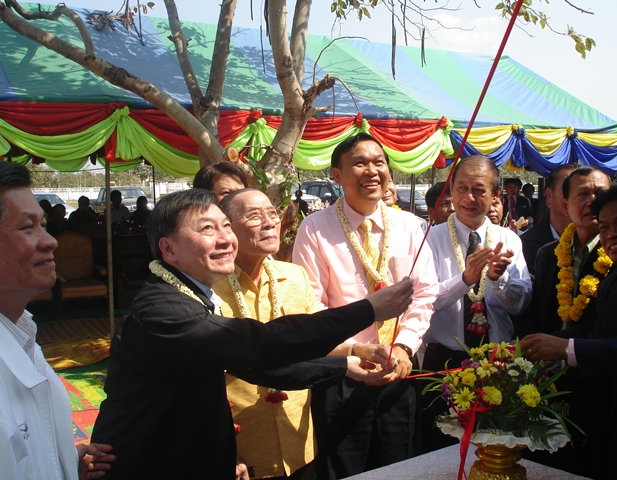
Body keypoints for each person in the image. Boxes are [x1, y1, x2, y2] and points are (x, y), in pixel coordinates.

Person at [90, 188, 415, 480]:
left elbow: (261, 367)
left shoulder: (191, 296)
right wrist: (366, 310)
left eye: (225, 227)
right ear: (168, 248)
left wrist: (345, 366)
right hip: (149, 463)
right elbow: (262, 344)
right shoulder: (165, 312)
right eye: (207, 229)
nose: (224, 239)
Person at [215, 189, 392, 479]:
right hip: (239, 449)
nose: (270, 222)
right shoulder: (209, 289)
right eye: (255, 216)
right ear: (227, 228)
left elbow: (312, 341)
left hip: (298, 443)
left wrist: (356, 351)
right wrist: (224, 447)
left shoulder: (294, 276)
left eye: (272, 213)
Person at [292, 133, 438, 478]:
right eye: (359, 163)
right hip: (343, 372)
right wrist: (355, 350)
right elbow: (310, 303)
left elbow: (424, 294)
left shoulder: (409, 226)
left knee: (400, 467)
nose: (372, 171)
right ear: (337, 175)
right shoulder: (314, 229)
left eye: (379, 162)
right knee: (343, 469)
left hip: (398, 370)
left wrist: (404, 346)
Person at [0, 160, 115, 480]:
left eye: (43, 225)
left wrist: (64, 461)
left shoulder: (21, 329)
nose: (50, 241)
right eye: (27, 227)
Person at [422, 155, 532, 453]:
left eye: (479, 190)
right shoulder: (430, 239)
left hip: (497, 364)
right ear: (451, 190)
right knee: (438, 453)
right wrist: (465, 279)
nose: (469, 198)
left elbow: (520, 305)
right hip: (444, 364)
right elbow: (424, 301)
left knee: (495, 450)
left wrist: (498, 278)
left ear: (496, 194)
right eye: (462, 188)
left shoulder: (509, 240)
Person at [521, 183, 617, 479]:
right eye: (605, 227)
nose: (612, 234)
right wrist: (540, 346)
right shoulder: (613, 280)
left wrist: (566, 349)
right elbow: (600, 334)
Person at [517, 166, 611, 340]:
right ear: (566, 205)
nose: (592, 202)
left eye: (600, 194)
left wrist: (563, 345)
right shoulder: (548, 254)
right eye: (583, 194)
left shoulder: (616, 255)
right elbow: (535, 314)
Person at [519, 164, 579, 277]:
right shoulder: (526, 244)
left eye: (583, 192)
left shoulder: (600, 241)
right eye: (568, 189)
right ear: (549, 196)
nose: (577, 196)